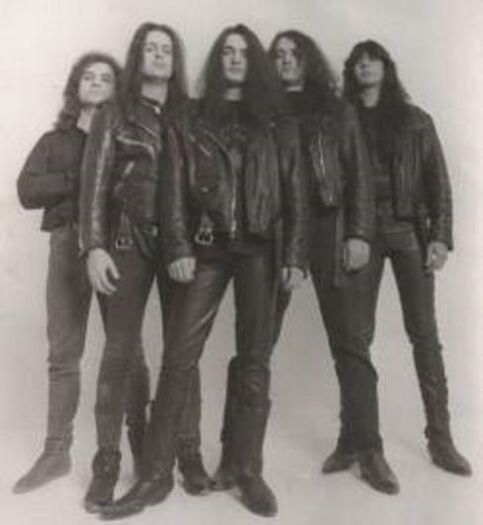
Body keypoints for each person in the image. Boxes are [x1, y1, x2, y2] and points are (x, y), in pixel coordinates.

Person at [100, 23, 306, 520]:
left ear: (254, 63)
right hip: (207, 249)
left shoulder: (277, 121)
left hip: (260, 250)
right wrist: (177, 246)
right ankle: (154, 477)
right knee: (178, 359)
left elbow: (295, 191)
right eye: (227, 52)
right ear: (217, 60)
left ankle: (245, 468)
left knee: (255, 360)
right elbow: (172, 188)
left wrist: (295, 257)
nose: (235, 58)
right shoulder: (190, 117)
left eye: (243, 53)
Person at [324, 39, 471, 489]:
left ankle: (441, 439)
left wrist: (440, 237)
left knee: (424, 335)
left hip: (409, 231)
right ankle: (354, 439)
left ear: (387, 68)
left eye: (373, 60)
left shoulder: (416, 121)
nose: (365, 66)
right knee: (355, 338)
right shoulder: (340, 121)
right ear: (351, 72)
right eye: (358, 61)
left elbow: (439, 184)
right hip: (360, 234)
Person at [259, 30, 400, 495]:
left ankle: (368, 448)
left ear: (309, 59)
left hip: (329, 227)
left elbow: (359, 175)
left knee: (350, 343)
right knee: (258, 343)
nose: (285, 60)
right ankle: (242, 457)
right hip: (275, 232)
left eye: (293, 53)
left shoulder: (337, 110)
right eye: (278, 55)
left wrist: (359, 232)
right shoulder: (263, 110)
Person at [79, 23, 210, 513]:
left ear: (175, 61)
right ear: (139, 57)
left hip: (180, 246)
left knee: (183, 354)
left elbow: (206, 178)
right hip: (125, 242)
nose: (158, 56)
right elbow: (93, 184)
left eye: (166, 49)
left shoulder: (191, 114)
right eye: (150, 49)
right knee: (118, 354)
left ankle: (188, 453)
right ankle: (108, 462)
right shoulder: (114, 112)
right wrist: (94, 247)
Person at [14, 53, 151, 494]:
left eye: (105, 78)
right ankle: (56, 452)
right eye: (87, 77)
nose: (95, 82)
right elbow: (27, 189)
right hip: (67, 247)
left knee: (129, 351)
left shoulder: (129, 139)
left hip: (119, 248)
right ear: (76, 87)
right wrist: (81, 179)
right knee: (63, 353)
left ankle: (142, 443)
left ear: (118, 89)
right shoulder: (55, 140)